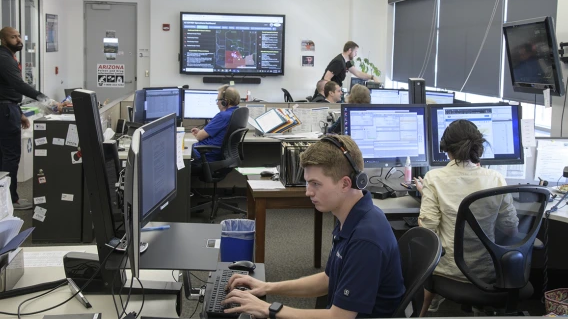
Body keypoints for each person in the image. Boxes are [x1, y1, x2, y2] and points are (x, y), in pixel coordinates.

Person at [223, 135, 405, 318]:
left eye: (315, 184)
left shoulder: (366, 239)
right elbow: (328, 280)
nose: (308, 191)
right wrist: (267, 286)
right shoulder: (351, 217)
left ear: (345, 184)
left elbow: (339, 317)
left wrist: (267, 309)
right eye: (308, 182)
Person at [415, 120, 519, 316]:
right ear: (478, 146)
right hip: (487, 273)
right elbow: (511, 229)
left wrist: (426, 195)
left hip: (449, 273)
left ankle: (423, 310)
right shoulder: (496, 179)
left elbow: (427, 230)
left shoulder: (434, 178)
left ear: (446, 147)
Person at [0, 27, 61, 210]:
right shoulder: (4, 59)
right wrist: (48, 101)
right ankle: (11, 201)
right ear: (3, 40)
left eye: (19, 35)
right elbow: (18, 85)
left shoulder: (7, 57)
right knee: (11, 157)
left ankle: (6, 201)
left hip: (8, 109)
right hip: (5, 111)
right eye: (13, 37)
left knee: (4, 157)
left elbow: (7, 90)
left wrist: (19, 113)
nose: (18, 39)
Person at [190, 85, 240, 170]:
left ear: (225, 102)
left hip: (206, 156)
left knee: (177, 154)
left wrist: (199, 133)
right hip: (218, 155)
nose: (217, 103)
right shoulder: (237, 113)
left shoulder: (223, 116)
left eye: (218, 100)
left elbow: (199, 136)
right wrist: (201, 131)